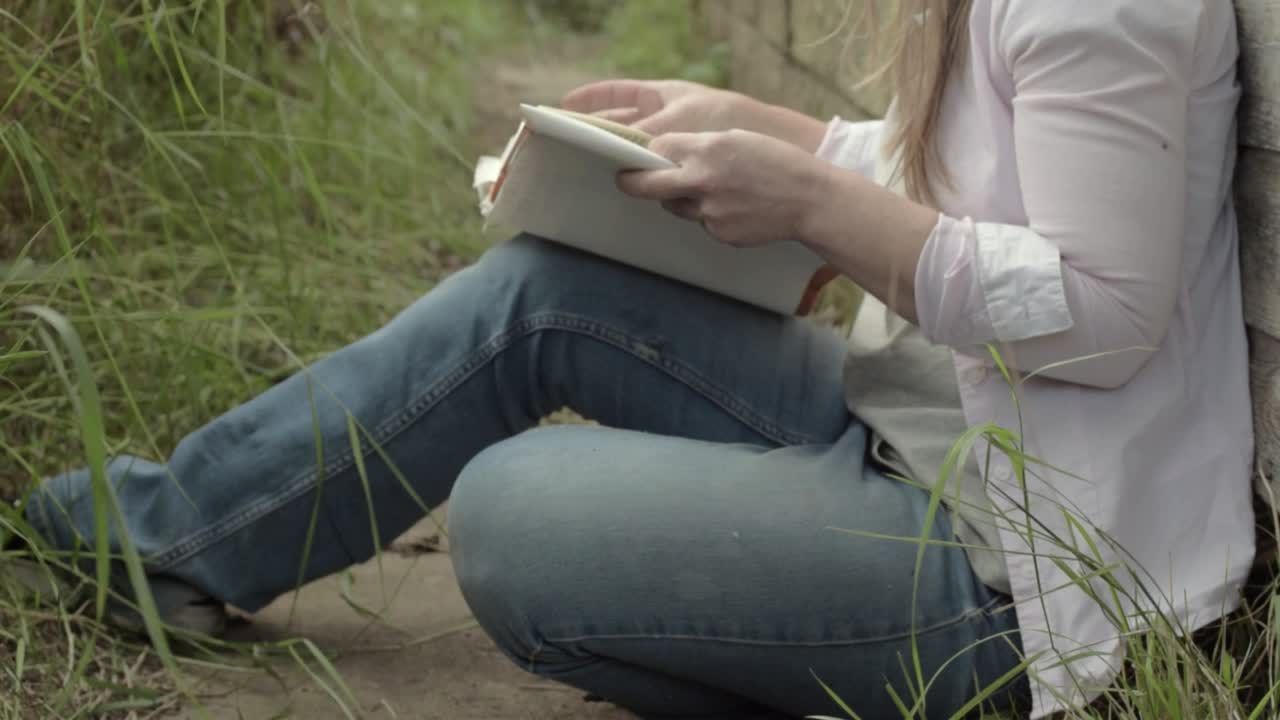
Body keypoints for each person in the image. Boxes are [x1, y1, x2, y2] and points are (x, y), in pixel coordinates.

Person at [12, 1, 1254, 718]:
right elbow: (997, 172)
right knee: (540, 294)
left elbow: (1102, 316)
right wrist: (767, 130)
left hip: (1016, 579)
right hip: (925, 417)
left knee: (508, 518)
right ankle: (164, 541)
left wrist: (813, 205)